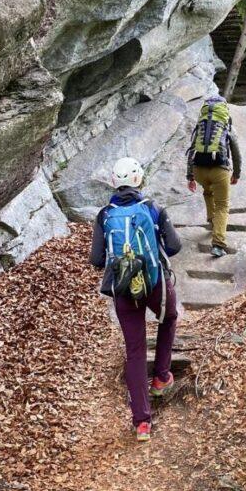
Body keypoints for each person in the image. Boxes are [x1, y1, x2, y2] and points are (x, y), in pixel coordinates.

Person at [90, 157, 181, 442]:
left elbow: (96, 259)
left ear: (114, 184)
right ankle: (161, 376)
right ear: (139, 180)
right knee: (169, 317)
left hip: (123, 288)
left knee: (135, 350)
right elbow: (175, 246)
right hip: (154, 282)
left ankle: (142, 422)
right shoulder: (152, 208)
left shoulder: (105, 215)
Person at [186, 95, 241, 258]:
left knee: (208, 191)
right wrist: (236, 174)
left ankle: (211, 219)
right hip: (219, 169)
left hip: (199, 169)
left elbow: (192, 150)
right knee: (223, 205)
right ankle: (218, 244)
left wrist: (190, 176)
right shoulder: (226, 125)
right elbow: (236, 153)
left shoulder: (201, 125)